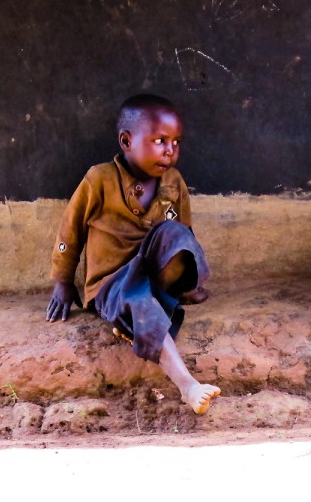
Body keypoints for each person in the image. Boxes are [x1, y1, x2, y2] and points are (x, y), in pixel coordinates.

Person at [46, 94, 220, 414]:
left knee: (176, 232)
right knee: (141, 302)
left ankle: (157, 300)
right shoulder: (99, 179)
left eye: (176, 142)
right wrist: (63, 281)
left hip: (153, 273)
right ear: (127, 141)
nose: (170, 150)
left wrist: (189, 281)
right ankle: (188, 385)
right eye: (160, 140)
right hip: (113, 283)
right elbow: (70, 231)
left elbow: (184, 234)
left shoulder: (173, 181)